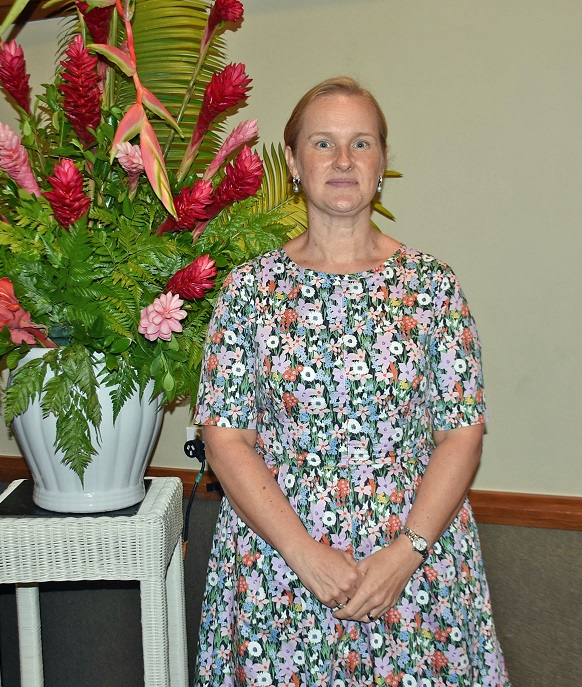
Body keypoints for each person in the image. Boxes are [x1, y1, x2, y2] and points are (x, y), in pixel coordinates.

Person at [192, 76, 509, 686]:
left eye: (361, 143)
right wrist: (304, 555)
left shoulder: (432, 287)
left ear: (382, 162)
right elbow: (225, 438)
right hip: (278, 569)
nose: (343, 160)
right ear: (293, 162)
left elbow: (462, 433)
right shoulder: (248, 291)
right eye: (323, 143)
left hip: (414, 569)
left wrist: (405, 555)